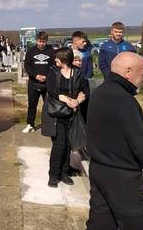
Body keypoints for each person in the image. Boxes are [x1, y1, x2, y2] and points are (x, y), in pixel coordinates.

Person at [86, 52, 143, 230]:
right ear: (128, 72)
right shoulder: (124, 100)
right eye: (142, 75)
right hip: (123, 177)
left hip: (99, 170)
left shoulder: (100, 93)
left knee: (101, 224)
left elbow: (113, 131)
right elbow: (139, 145)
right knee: (137, 225)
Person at [41, 47, 88, 188]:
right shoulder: (53, 72)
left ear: (65, 60)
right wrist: (68, 100)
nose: (55, 60)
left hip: (72, 113)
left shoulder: (78, 73)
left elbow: (84, 90)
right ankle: (53, 175)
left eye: (57, 58)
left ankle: (64, 172)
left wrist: (77, 101)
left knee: (69, 144)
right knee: (59, 144)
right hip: (56, 113)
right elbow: (52, 91)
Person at [23, 31, 55, 133]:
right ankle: (30, 124)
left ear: (46, 41)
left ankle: (49, 124)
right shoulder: (31, 51)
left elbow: (54, 66)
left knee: (48, 105)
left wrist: (47, 76)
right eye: (40, 41)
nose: (41, 44)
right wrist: (35, 76)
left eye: (44, 42)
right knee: (32, 105)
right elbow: (27, 66)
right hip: (33, 82)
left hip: (47, 83)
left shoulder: (51, 51)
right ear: (36, 40)